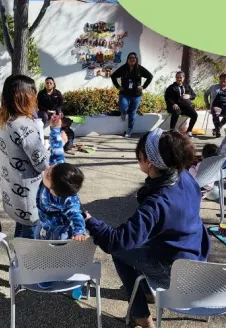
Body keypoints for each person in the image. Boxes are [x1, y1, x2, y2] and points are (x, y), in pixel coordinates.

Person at [84, 129, 210, 328]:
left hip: (174, 268)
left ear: (148, 162)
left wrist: (90, 220)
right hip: (196, 254)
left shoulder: (157, 202)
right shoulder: (184, 176)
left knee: (120, 252)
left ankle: (141, 315)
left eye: (139, 156)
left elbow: (116, 242)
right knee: (135, 248)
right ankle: (146, 291)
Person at [0, 74, 67, 239]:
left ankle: (17, 259)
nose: (35, 97)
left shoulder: (4, 121)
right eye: (33, 93)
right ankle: (23, 263)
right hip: (28, 195)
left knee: (21, 227)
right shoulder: (25, 125)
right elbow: (44, 163)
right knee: (29, 236)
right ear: (24, 96)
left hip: (12, 190)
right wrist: (58, 139)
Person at [35, 162, 86, 299]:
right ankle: (47, 278)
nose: (47, 169)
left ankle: (73, 281)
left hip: (61, 232)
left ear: (52, 190)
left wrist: (79, 231)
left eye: (48, 173)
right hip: (45, 225)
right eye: (51, 168)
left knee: (62, 256)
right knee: (44, 254)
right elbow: (57, 156)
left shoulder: (68, 200)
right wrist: (57, 140)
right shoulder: (58, 176)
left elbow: (76, 214)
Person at [111, 52, 153, 138]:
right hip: (124, 93)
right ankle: (123, 111)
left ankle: (129, 130)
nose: (132, 59)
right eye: (130, 58)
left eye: (134, 58)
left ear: (136, 59)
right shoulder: (123, 68)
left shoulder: (140, 69)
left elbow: (150, 76)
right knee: (123, 107)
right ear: (127, 59)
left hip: (136, 95)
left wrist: (143, 86)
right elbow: (113, 76)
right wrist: (118, 86)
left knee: (132, 112)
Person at [204, 73, 226, 138]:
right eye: (221, 79)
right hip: (216, 105)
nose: (223, 81)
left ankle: (217, 128)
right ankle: (218, 131)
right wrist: (207, 103)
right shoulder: (214, 87)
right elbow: (206, 94)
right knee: (215, 111)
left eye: (224, 80)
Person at [164, 71, 198, 137]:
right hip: (175, 106)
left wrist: (189, 96)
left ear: (183, 78)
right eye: (177, 77)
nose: (179, 79)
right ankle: (172, 131)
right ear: (175, 78)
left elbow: (194, 95)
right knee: (176, 112)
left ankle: (189, 131)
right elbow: (167, 97)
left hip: (185, 107)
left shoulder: (187, 86)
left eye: (180, 77)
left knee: (195, 114)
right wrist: (173, 104)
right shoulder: (171, 87)